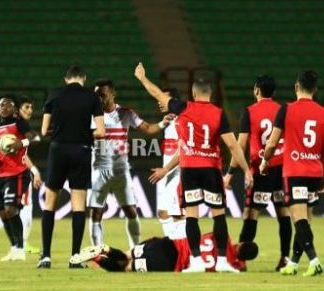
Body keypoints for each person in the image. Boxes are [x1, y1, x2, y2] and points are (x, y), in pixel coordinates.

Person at [134, 62, 252, 273]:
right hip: (211, 169)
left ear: (193, 93)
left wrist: (142, 78)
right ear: (211, 93)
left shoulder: (184, 108)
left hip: (190, 170)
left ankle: (196, 260)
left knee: (191, 216)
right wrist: (246, 170)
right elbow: (233, 145)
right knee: (218, 215)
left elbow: (158, 95)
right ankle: (223, 260)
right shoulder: (218, 113)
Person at [261, 70, 324, 277]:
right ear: (315, 90)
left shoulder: (286, 110)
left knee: (298, 219)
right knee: (305, 219)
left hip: (295, 171)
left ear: (296, 87)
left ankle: (314, 260)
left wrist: (265, 161)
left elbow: (272, 142)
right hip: (315, 172)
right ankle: (294, 263)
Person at [88, 78, 170, 249]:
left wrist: (163, 123)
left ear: (112, 93)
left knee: (131, 211)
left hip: (120, 170)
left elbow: (147, 129)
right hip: (98, 169)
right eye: (96, 94)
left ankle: (135, 249)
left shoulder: (125, 113)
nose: (99, 98)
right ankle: (97, 251)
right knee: (96, 212)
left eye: (102, 94)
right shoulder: (91, 115)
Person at [37, 65, 105, 269]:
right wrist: (83, 134)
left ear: (65, 79)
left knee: (50, 203)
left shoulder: (54, 95)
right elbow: (100, 131)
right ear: (83, 78)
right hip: (81, 150)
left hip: (58, 150)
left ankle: (46, 256)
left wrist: (60, 132)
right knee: (78, 204)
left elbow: (43, 129)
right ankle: (75, 257)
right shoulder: (92, 98)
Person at [223, 75, 293, 271]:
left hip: (260, 171)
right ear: (274, 93)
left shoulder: (249, 112)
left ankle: (241, 260)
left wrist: (230, 172)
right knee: (283, 214)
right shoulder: (283, 110)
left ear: (256, 90)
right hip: (282, 168)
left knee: (251, 214)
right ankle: (285, 258)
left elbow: (240, 145)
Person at [0, 95, 43, 262]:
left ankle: (21, 248)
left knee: (11, 210)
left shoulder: (18, 123)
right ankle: (14, 248)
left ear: (14, 109)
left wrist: (19, 144)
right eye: (1, 105)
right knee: (3, 213)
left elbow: (34, 137)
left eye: (7, 105)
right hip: (1, 175)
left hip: (18, 173)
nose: (3, 107)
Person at [70, 233, 258, 272]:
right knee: (125, 268)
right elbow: (241, 266)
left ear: (240, 243)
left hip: (167, 245)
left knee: (126, 255)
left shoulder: (222, 238)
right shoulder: (234, 266)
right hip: (169, 264)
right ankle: (97, 258)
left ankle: (106, 249)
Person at [149, 88, 185, 240]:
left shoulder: (181, 121)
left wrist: (166, 169)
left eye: (163, 98)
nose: (159, 101)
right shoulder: (170, 121)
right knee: (164, 213)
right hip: (169, 173)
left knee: (175, 213)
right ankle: (175, 248)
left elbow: (183, 150)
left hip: (179, 172)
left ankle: (184, 251)